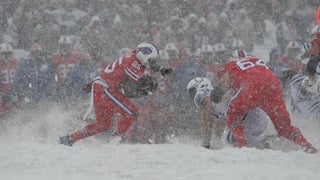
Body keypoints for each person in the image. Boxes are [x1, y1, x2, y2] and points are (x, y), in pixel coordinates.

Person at [59, 42, 172, 146]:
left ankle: (70, 139)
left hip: (102, 86)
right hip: (106, 88)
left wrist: (160, 69)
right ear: (144, 55)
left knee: (102, 125)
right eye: (152, 60)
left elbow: (145, 64)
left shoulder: (134, 54)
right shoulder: (134, 63)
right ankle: (114, 140)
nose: (152, 64)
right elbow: (128, 92)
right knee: (132, 113)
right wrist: (146, 91)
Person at [211, 56, 318, 153]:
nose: (224, 83)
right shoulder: (248, 61)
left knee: (232, 112)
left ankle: (242, 147)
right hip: (272, 84)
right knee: (284, 126)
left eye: (223, 80)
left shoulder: (228, 68)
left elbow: (234, 98)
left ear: (224, 72)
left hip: (253, 85)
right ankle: (306, 145)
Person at [187, 77, 269, 150]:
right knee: (238, 141)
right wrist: (216, 140)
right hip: (254, 117)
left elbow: (208, 118)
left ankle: (266, 146)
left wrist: (206, 144)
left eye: (193, 91)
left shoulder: (203, 93)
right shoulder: (214, 94)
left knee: (233, 140)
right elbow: (220, 123)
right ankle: (267, 145)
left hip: (250, 117)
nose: (193, 95)